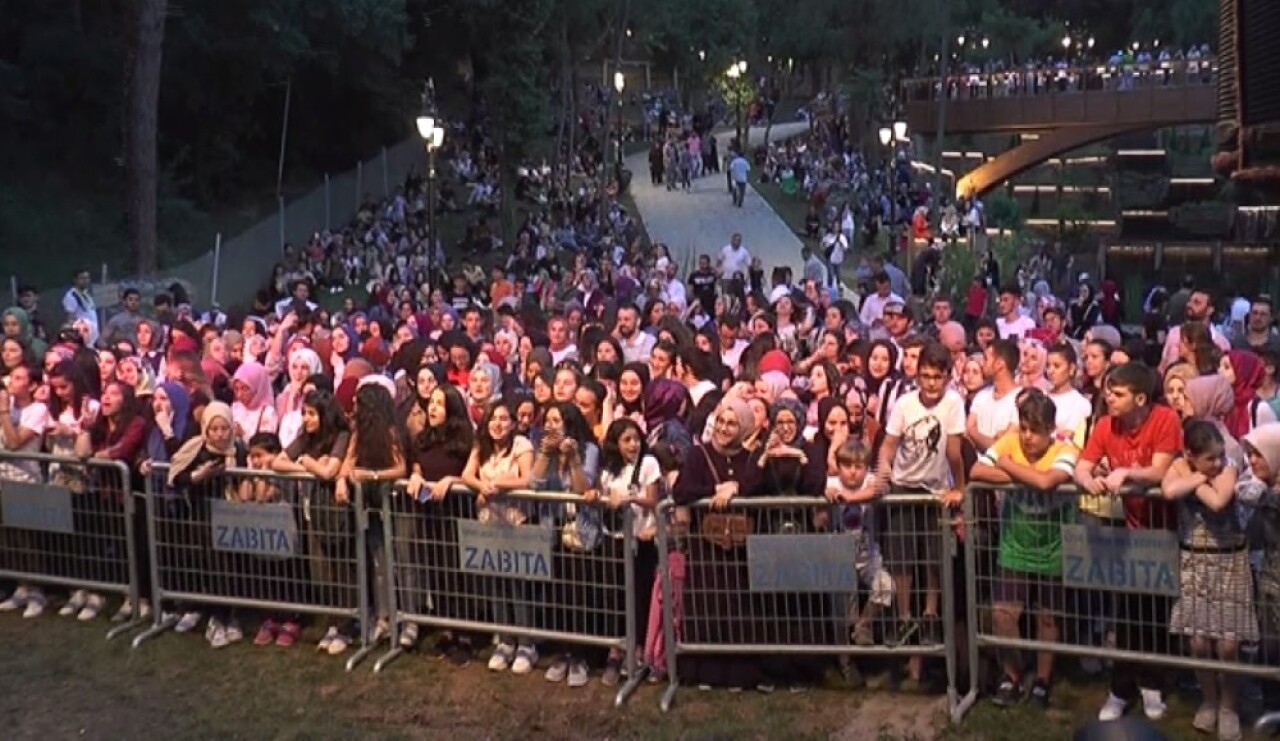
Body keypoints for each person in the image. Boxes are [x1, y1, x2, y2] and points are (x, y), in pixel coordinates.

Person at [1074, 362, 1182, 722]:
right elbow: (1082, 464)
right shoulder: (1105, 424)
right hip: (1126, 530)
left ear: (1140, 398)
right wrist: (1087, 477)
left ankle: (1151, 685)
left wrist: (1127, 472)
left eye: (1117, 394)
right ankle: (1120, 689)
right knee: (1127, 613)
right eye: (1108, 391)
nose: (1109, 398)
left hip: (1164, 529)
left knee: (1155, 613)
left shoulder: (1165, 419)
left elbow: (1161, 468)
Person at [970, 389, 1078, 709]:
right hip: (1014, 546)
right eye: (1024, 428)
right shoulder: (1010, 443)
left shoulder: (1065, 449)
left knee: (1048, 618)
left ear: (1050, 429)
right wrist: (1021, 473)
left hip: (1053, 548)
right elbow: (977, 471)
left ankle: (1043, 681)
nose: (1028, 437)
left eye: (1036, 430)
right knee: (1003, 615)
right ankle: (1012, 675)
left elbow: (1048, 482)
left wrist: (1007, 467)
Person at [874, 342, 966, 684]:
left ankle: (929, 614)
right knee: (900, 557)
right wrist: (883, 475)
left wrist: (960, 488)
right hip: (903, 485)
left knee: (933, 558)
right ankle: (904, 615)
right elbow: (888, 444)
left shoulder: (954, 402)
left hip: (935, 489)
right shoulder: (903, 404)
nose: (930, 384)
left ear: (946, 377)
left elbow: (955, 451)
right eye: (925, 376)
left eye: (936, 378)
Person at [1161, 419, 1254, 741]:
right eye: (1208, 459)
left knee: (1228, 643)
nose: (1216, 463)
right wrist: (1197, 477)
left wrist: (1194, 476)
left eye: (1218, 456)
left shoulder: (1228, 465)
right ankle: (1209, 700)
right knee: (1199, 640)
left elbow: (1219, 500)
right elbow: (1169, 490)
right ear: (1189, 453)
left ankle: (1229, 706)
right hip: (1193, 559)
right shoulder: (1179, 466)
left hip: (1229, 559)